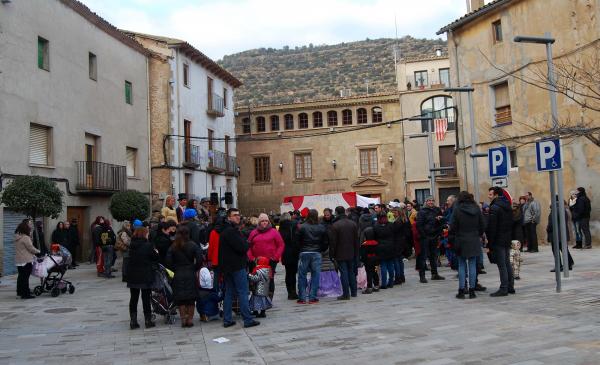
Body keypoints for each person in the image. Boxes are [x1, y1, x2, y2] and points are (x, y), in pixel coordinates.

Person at [219, 208, 260, 328]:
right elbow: (241, 247)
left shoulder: (226, 230)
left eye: (238, 215)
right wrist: (247, 243)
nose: (238, 217)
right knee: (243, 291)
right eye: (235, 215)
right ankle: (247, 319)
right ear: (228, 217)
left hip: (228, 267)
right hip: (236, 266)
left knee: (229, 292)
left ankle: (227, 319)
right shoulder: (231, 231)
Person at [449, 191, 486, 299]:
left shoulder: (457, 210)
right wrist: (478, 234)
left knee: (461, 265)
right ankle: (472, 291)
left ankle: (461, 290)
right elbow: (482, 225)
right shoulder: (476, 209)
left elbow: (453, 226)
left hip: (461, 239)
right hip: (474, 239)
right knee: (472, 265)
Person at [166, 225, 203, 328]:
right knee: (191, 298)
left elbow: (168, 262)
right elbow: (200, 259)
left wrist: (174, 269)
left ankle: (183, 319)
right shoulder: (193, 245)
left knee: (181, 298)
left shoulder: (173, 246)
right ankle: (190, 319)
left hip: (178, 273)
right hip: (190, 272)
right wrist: (194, 268)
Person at [126, 226, 159, 329]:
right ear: (144, 234)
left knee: (133, 298)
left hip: (133, 275)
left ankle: (133, 321)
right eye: (147, 233)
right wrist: (156, 252)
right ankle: (148, 320)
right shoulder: (148, 245)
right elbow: (154, 257)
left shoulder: (132, 245)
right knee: (145, 298)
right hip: (145, 274)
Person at [247, 213, 285, 299]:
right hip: (257, 261)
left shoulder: (274, 232)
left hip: (270, 260)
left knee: (270, 279)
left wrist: (275, 257)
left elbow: (281, 245)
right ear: (259, 222)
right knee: (257, 280)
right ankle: (257, 299)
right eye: (262, 221)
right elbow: (248, 247)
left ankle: (269, 299)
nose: (264, 223)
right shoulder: (253, 233)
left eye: (266, 221)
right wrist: (251, 258)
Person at [487, 187, 515, 297]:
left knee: (502, 264)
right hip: (506, 238)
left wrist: (490, 243)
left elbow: (492, 227)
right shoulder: (507, 206)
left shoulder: (494, 208)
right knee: (507, 263)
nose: (489, 196)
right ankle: (510, 286)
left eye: (490, 194)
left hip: (498, 239)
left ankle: (504, 288)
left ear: (496, 195)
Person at [296, 209, 327, 304]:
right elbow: (325, 242)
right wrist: (321, 250)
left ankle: (302, 297)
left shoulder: (302, 227)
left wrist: (300, 249)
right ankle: (312, 297)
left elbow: (297, 241)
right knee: (315, 275)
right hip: (316, 252)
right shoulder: (321, 227)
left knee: (302, 275)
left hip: (304, 252)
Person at [329, 206, 359, 300]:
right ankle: (354, 292)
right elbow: (356, 240)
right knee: (351, 271)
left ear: (337, 213)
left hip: (340, 252)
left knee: (344, 272)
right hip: (351, 251)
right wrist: (357, 252)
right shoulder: (353, 224)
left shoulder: (335, 225)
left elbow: (333, 242)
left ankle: (346, 294)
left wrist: (332, 255)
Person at [416, 196, 445, 283]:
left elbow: (442, 222)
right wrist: (423, 235)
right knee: (423, 256)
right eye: (429, 201)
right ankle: (422, 276)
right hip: (425, 237)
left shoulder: (437, 210)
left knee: (434, 256)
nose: (431, 202)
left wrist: (440, 222)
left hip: (434, 235)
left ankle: (434, 274)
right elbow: (419, 225)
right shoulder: (422, 211)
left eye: (432, 200)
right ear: (426, 202)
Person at [15, 221, 40, 299]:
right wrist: (38, 251)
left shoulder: (17, 236)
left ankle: (20, 291)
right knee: (25, 278)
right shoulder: (25, 237)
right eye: (29, 227)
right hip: (26, 260)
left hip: (19, 261)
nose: (30, 228)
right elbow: (31, 248)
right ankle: (26, 294)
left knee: (21, 277)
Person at [547, 200, 574, 272]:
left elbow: (551, 224)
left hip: (555, 235)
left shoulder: (554, 211)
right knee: (564, 249)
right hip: (563, 234)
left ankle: (559, 266)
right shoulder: (563, 210)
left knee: (556, 250)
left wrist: (547, 229)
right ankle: (569, 263)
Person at [279, 212, 300, 300]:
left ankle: (289, 292)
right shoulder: (293, 225)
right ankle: (294, 292)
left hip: (285, 252)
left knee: (288, 272)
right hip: (294, 251)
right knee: (293, 273)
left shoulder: (280, 228)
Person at [360, 227, 379, 294]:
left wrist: (362, 261)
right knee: (375, 272)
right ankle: (376, 285)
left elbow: (363, 254)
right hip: (376, 261)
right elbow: (378, 253)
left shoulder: (364, 244)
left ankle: (369, 287)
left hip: (368, 262)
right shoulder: (376, 243)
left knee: (369, 274)